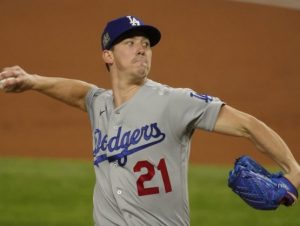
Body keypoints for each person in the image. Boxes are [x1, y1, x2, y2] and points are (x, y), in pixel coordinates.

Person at [0, 15, 299, 226]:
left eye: (145, 43)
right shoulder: (99, 104)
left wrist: (293, 171)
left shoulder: (174, 101)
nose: (142, 47)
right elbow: (81, 92)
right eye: (130, 42)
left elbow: (248, 124)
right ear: (108, 55)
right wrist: (34, 81)